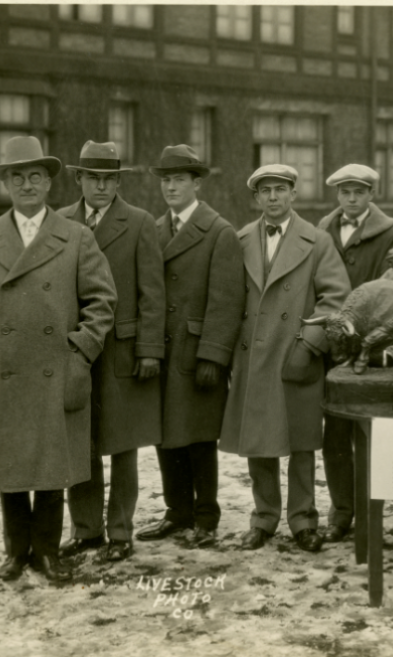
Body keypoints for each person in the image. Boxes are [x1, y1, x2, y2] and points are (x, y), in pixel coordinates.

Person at [0, 136, 116, 582]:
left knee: (50, 465)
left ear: (47, 182)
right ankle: (15, 552)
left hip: (57, 365)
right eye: (17, 177)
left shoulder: (75, 236)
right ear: (7, 183)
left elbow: (102, 301)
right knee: (11, 464)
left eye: (35, 176)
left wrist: (81, 349)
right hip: (4, 370)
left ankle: (47, 552)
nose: (27, 184)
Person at [221, 164, 350, 553]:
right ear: (256, 198)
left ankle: (303, 520)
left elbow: (337, 298)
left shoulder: (317, 241)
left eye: (281, 189)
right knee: (258, 440)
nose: (273, 197)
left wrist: (309, 345)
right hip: (252, 356)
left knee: (301, 442)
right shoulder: (240, 239)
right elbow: (228, 300)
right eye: (266, 191)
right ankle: (263, 518)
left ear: (294, 194)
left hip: (297, 354)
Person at [56, 141, 165, 562]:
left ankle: (121, 531)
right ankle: (86, 531)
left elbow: (152, 293)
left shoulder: (139, 224)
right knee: (78, 442)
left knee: (123, 445)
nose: (101, 187)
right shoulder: (60, 222)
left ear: (118, 182)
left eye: (109, 179)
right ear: (78, 179)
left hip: (123, 350)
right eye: (93, 178)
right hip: (77, 350)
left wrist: (150, 350)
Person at [134, 145, 245, 549]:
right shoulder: (154, 229)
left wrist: (213, 355)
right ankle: (177, 512)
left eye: (179, 179)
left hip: (195, 353)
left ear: (197, 183)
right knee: (166, 435)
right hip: (162, 350)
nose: (170, 187)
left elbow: (227, 300)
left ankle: (206, 516)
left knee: (198, 438)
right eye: (165, 179)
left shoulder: (219, 231)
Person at [317, 164, 393, 543]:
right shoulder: (322, 231)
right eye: (345, 192)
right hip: (332, 343)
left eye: (359, 192)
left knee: (372, 433)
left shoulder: (391, 232)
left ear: (371, 194)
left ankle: (371, 514)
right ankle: (341, 512)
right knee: (335, 434)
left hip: (372, 344)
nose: (351, 199)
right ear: (338, 195)